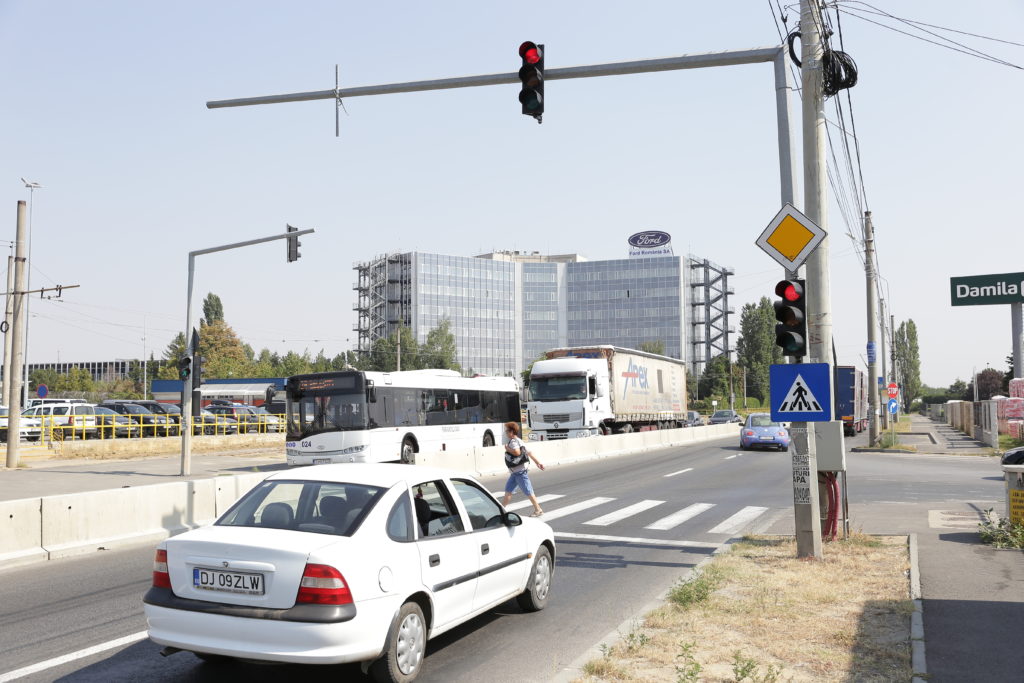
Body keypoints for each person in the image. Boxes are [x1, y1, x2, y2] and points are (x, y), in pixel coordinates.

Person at [501, 421, 546, 517]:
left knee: (528, 491)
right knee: (508, 490)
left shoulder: (513, 442)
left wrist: (507, 449)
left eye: (507, 431)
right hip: (515, 473)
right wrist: (538, 463)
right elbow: (529, 453)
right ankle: (501, 510)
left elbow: (517, 453)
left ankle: (538, 509)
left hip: (520, 472)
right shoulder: (519, 440)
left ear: (512, 432)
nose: (506, 433)